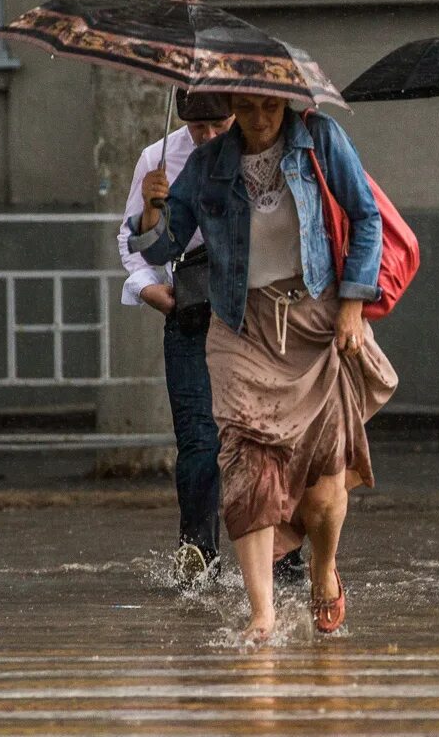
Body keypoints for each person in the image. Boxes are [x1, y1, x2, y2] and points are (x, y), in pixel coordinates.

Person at [128, 93, 398, 642]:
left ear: (285, 104)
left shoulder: (320, 138)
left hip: (315, 318)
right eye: (248, 108)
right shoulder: (208, 164)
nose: (259, 120)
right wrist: (153, 210)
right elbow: (161, 249)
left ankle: (323, 570)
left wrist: (352, 303)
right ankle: (263, 613)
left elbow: (366, 216)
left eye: (269, 108)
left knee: (322, 484)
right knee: (246, 462)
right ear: (233, 106)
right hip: (240, 324)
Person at [117, 90, 233, 586]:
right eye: (196, 128)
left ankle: (282, 555)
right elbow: (132, 241)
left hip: (250, 308)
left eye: (217, 126)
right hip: (188, 303)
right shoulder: (158, 158)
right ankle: (198, 552)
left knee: (262, 435)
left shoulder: (254, 153)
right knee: (198, 438)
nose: (206, 136)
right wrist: (149, 289)